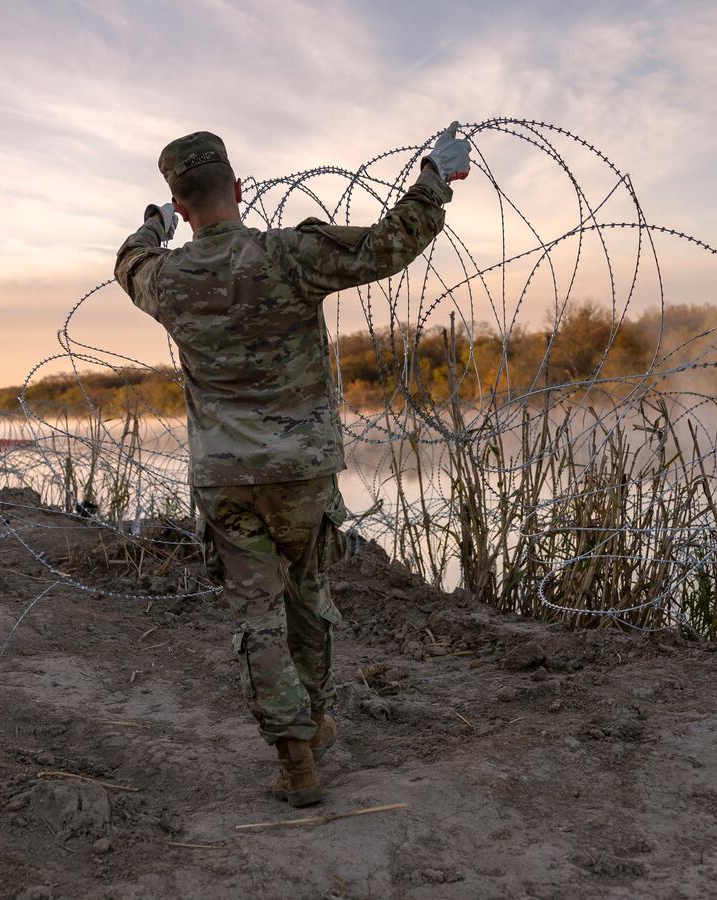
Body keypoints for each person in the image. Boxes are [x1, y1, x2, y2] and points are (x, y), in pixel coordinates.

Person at [115, 124, 471, 806]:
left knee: (257, 616)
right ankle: (313, 717)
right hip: (301, 473)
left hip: (226, 481)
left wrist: (152, 226)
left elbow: (128, 260)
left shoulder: (166, 279)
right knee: (307, 600)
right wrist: (433, 177)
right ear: (240, 190)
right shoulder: (289, 256)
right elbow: (389, 243)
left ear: (182, 206)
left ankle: (296, 757)